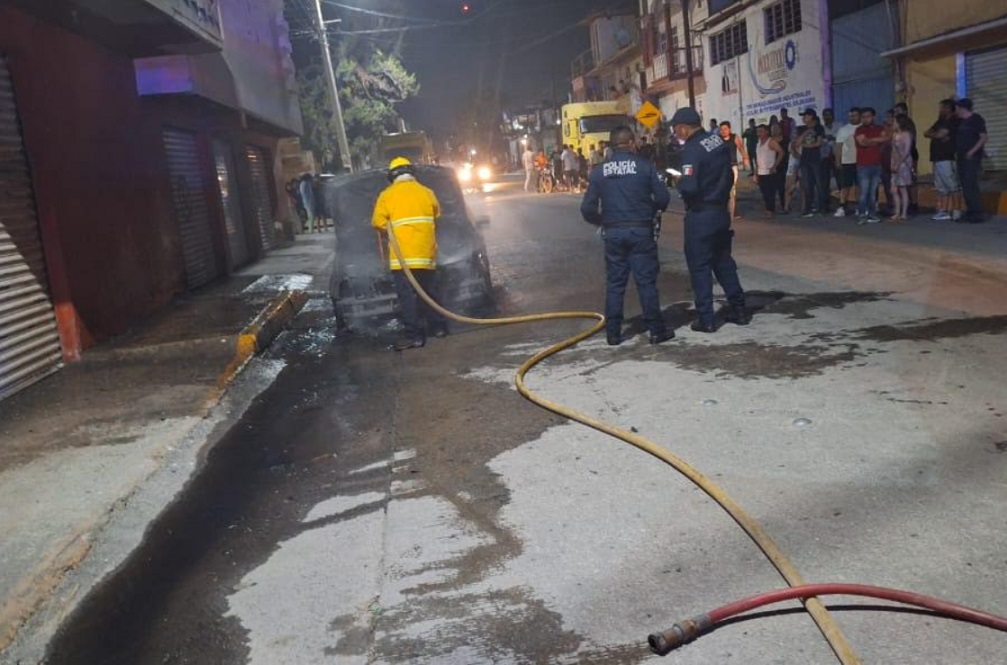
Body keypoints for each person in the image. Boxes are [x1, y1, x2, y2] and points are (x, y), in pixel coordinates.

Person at [580, 125, 673, 346]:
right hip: (641, 230)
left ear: (611, 146)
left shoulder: (600, 172)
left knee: (615, 283)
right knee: (646, 282)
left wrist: (602, 221)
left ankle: (613, 334)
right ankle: (656, 331)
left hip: (613, 232)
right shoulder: (644, 167)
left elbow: (587, 209)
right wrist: (650, 210)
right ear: (631, 143)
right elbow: (663, 199)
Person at [670, 107, 749, 333]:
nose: (677, 134)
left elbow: (690, 186)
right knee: (723, 261)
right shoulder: (717, 142)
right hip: (720, 211)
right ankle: (740, 310)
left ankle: (706, 319)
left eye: (677, 130)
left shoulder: (692, 150)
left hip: (700, 214)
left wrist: (680, 183)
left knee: (700, 266)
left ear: (684, 128)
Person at [371, 157, 448, 351]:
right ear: (412, 173)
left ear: (392, 176)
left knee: (407, 297)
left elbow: (377, 222)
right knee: (430, 292)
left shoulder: (387, 195)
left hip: (402, 259)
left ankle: (414, 336)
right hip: (426, 254)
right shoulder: (427, 192)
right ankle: (439, 328)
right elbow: (437, 214)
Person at [923, 99, 962, 221]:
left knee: (952, 185)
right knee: (941, 186)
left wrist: (936, 135)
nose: (940, 110)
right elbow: (927, 133)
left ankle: (956, 210)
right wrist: (935, 134)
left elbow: (939, 134)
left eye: (942, 107)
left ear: (948, 108)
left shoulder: (953, 121)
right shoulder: (940, 121)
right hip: (936, 157)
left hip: (947, 157)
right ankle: (943, 210)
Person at [955, 98, 988, 224]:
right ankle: (970, 211)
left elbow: (984, 137)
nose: (956, 110)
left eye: (957, 108)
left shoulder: (976, 119)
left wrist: (972, 151)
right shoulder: (960, 121)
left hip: (971, 157)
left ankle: (976, 213)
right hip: (961, 157)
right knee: (965, 185)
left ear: (962, 108)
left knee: (970, 184)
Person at [854, 107, 885, 224]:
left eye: (868, 116)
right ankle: (862, 214)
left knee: (873, 192)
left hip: (876, 164)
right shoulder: (859, 130)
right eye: (863, 117)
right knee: (864, 192)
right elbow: (862, 142)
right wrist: (877, 141)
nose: (865, 119)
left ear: (873, 117)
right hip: (863, 165)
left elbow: (886, 138)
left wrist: (869, 141)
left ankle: (872, 214)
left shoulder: (879, 128)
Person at [797, 109, 826, 217]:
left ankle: (821, 207)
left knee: (819, 184)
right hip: (805, 159)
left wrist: (806, 145)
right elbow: (797, 143)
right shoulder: (802, 129)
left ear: (811, 117)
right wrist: (805, 133)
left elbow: (818, 143)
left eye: (805, 116)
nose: (803, 118)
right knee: (807, 185)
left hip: (816, 159)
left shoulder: (819, 128)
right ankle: (808, 208)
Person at [718, 121, 750, 219]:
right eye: (721, 129)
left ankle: (732, 212)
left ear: (729, 129)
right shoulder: (717, 139)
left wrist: (745, 158)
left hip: (732, 166)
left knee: (732, 189)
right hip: (720, 167)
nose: (723, 131)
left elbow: (741, 148)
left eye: (725, 129)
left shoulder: (734, 137)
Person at [833, 107, 861, 217]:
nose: (852, 117)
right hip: (847, 162)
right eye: (851, 116)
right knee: (845, 186)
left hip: (860, 162)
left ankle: (859, 207)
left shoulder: (863, 128)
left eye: (855, 115)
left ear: (859, 116)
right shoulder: (843, 130)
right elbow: (838, 146)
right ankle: (842, 206)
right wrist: (838, 161)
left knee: (859, 186)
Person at [753, 123, 784, 217]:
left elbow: (781, 152)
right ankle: (768, 208)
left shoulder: (771, 142)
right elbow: (757, 159)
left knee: (770, 192)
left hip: (769, 171)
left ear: (766, 132)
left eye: (761, 131)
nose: (759, 133)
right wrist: (755, 173)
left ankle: (770, 210)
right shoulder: (758, 143)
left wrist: (774, 166)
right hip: (761, 171)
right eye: (758, 131)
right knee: (764, 192)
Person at [894, 102, 919, 213]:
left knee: (910, 180)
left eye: (898, 110)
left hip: (909, 155)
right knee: (901, 183)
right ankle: (904, 204)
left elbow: (910, 143)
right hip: (901, 157)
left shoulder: (908, 124)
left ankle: (913, 203)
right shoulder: (897, 130)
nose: (896, 113)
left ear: (904, 111)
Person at [890, 116, 914, 221]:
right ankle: (897, 212)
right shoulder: (895, 135)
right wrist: (892, 163)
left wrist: (899, 164)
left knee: (903, 188)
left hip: (904, 164)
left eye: (895, 121)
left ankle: (904, 213)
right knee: (894, 189)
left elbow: (906, 151)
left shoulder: (907, 134)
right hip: (896, 163)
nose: (893, 124)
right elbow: (893, 150)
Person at [820, 108, 840, 205]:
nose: (827, 117)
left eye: (829, 114)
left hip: (837, 156)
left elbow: (841, 139)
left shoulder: (839, 126)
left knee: (840, 179)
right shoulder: (821, 128)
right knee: (824, 181)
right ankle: (825, 204)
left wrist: (831, 137)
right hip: (825, 157)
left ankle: (842, 203)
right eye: (825, 115)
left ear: (833, 116)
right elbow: (821, 141)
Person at [879, 110, 896, 216]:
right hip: (883, 160)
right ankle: (890, 205)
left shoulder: (897, 130)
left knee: (895, 185)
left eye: (890, 117)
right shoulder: (883, 129)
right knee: (886, 184)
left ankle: (897, 206)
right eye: (887, 117)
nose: (887, 119)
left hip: (894, 160)